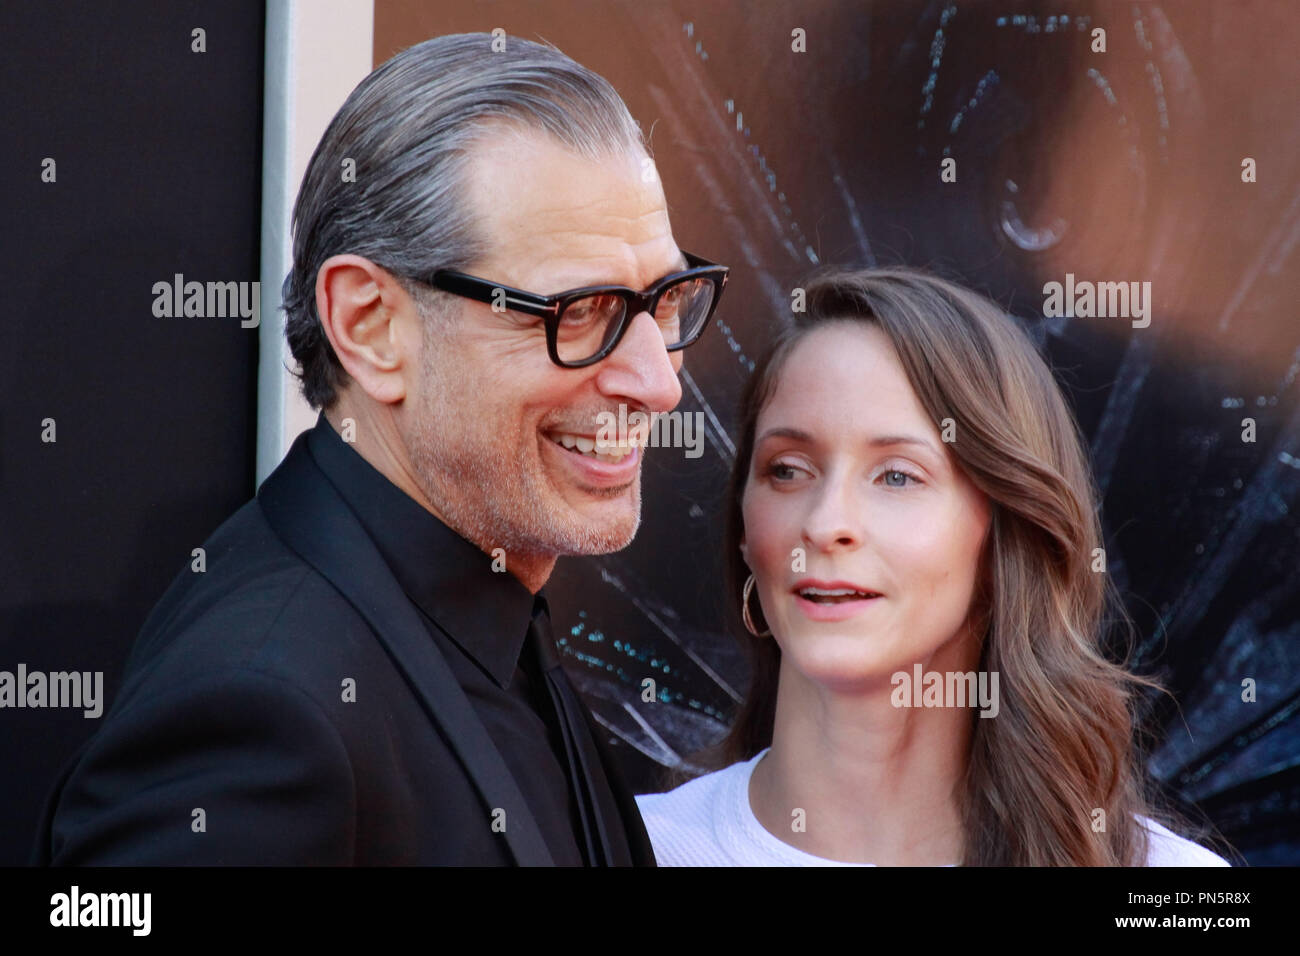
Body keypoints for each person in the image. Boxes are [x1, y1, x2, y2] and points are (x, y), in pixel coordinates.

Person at [33, 32, 728, 866]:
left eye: (666, 300)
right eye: (579, 313)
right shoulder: (267, 706)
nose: (658, 383)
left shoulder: (489, 608)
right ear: (370, 326)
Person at [636, 267, 1232, 866]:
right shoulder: (628, 848)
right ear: (744, 530)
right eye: (787, 470)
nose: (824, 523)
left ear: (1006, 534)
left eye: (897, 475)